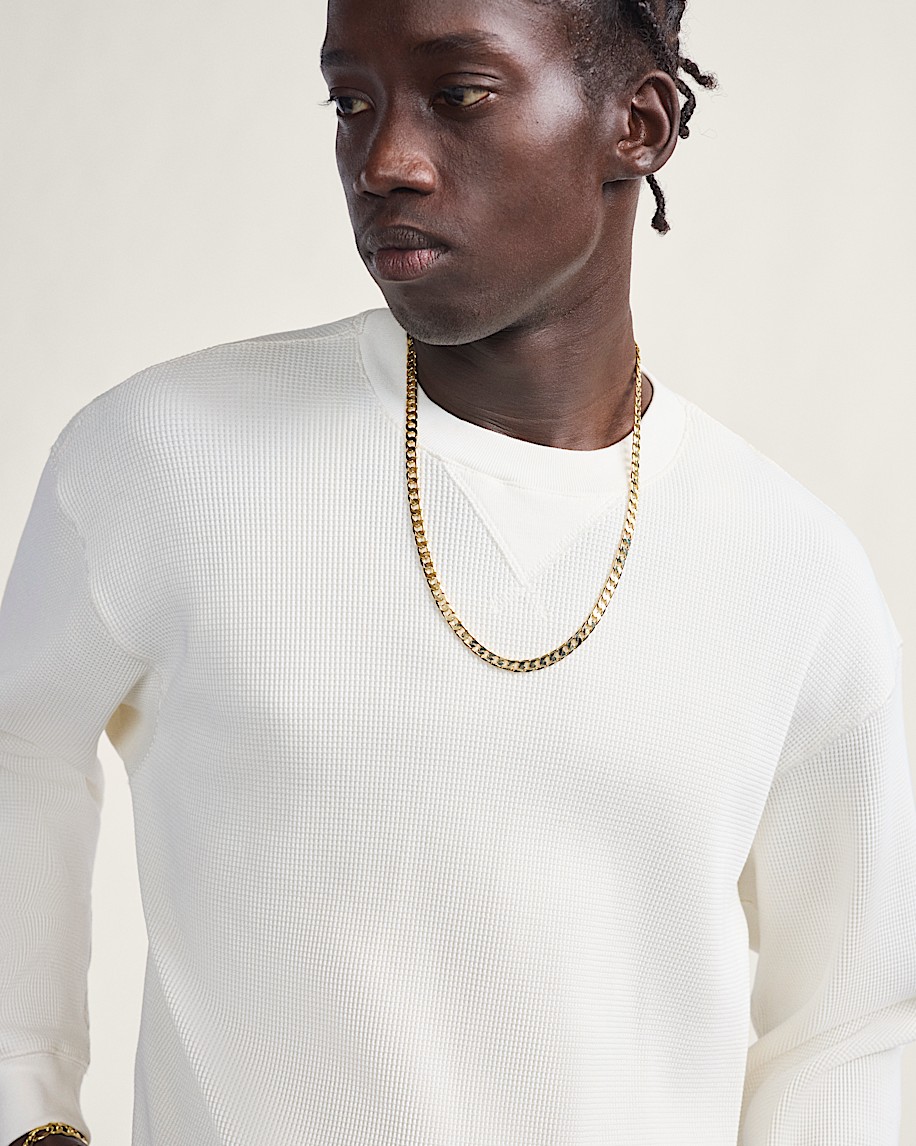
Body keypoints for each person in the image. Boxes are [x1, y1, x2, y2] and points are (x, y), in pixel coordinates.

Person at [2, 0, 916, 1142]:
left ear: (637, 124)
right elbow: (17, 745)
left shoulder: (790, 571)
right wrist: (27, 1111)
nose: (382, 159)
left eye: (459, 95)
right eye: (351, 101)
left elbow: (849, 1025)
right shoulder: (169, 459)